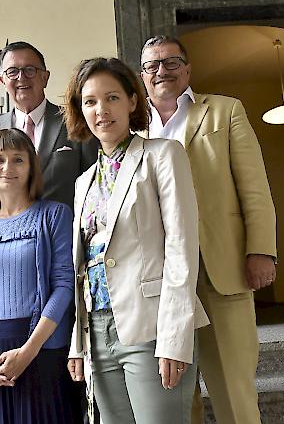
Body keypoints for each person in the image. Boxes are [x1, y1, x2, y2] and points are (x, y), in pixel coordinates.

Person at [140, 35, 277, 424]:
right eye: (152, 65)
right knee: (178, 395)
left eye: (171, 62)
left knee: (233, 388)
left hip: (219, 267)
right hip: (159, 277)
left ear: (187, 68)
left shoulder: (224, 111)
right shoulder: (133, 129)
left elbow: (254, 187)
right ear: (141, 76)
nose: (162, 71)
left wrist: (261, 250)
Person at [64, 57, 209, 424]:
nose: (101, 110)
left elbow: (181, 247)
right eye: (90, 102)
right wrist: (77, 345)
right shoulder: (83, 183)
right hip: (98, 330)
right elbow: (82, 269)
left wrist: (174, 337)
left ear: (132, 100)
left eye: (111, 98)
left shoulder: (162, 155)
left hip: (151, 325)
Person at [0, 128, 77, 423]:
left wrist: (28, 352)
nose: (7, 168)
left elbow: (63, 286)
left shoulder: (54, 215)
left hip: (40, 348)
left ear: (31, 166)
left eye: (17, 159)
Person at [0, 41, 98, 212]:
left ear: (45, 77)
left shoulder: (76, 121)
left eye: (30, 70)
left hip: (66, 233)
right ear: (2, 80)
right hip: (9, 235)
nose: (21, 77)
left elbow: (94, 188)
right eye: (12, 72)